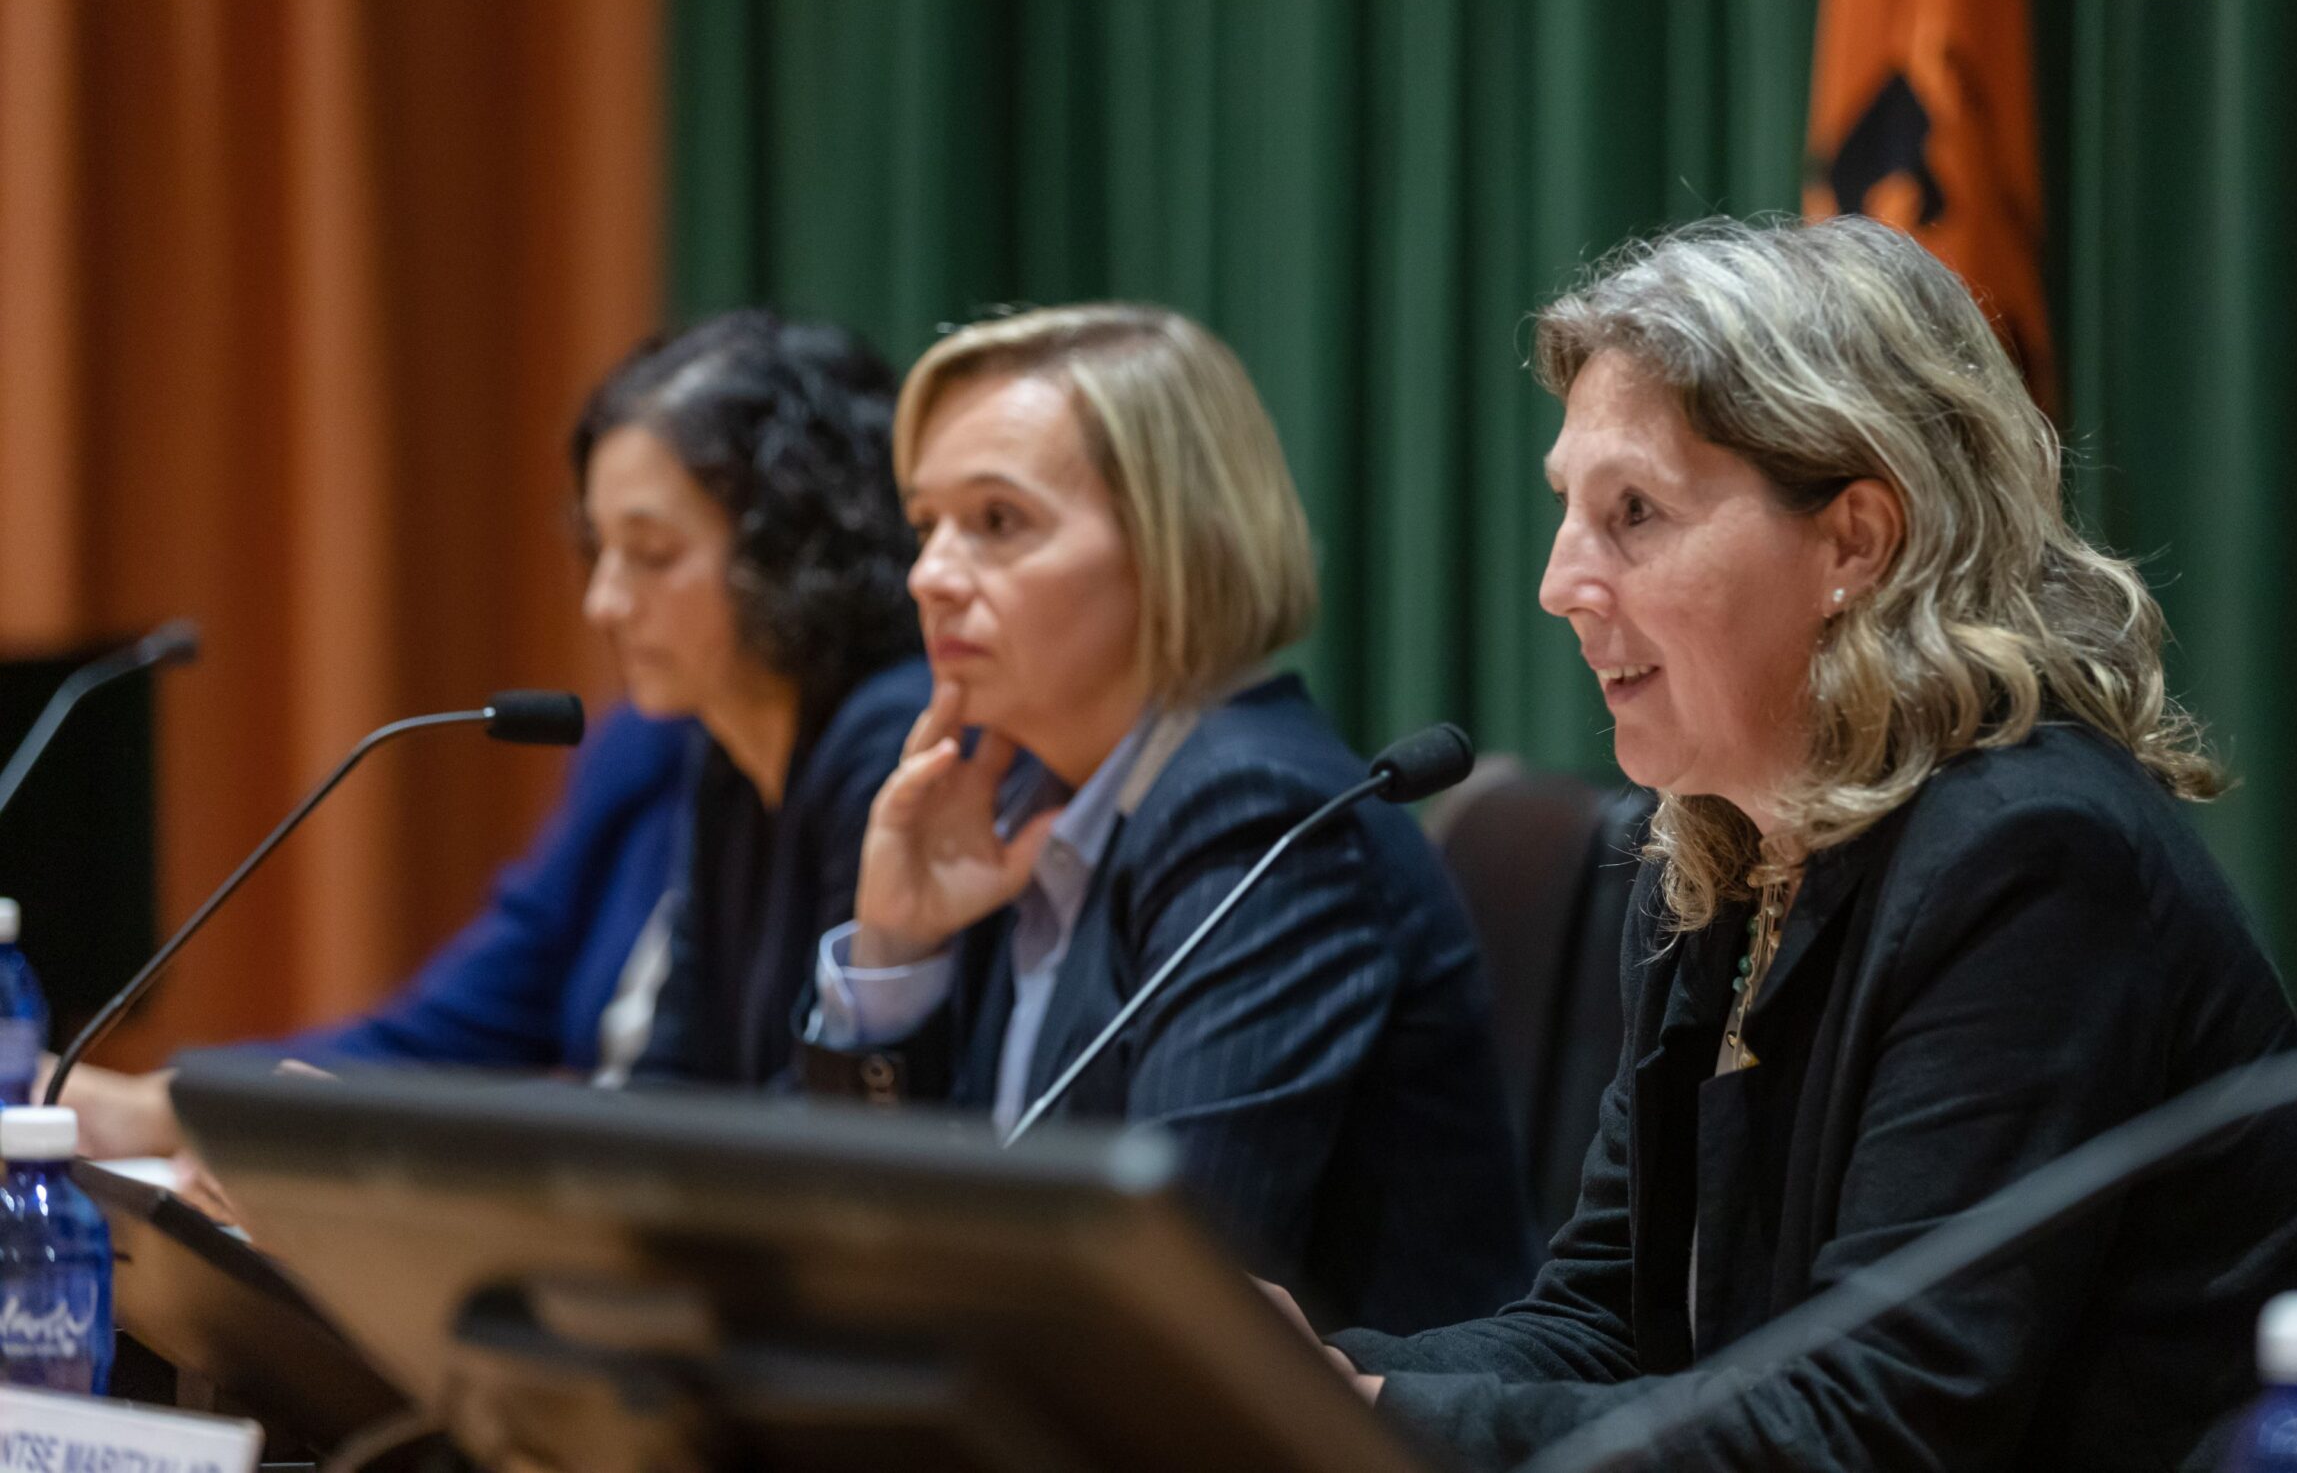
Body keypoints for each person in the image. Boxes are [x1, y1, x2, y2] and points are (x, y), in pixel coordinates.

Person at [1294, 218, 2297, 1469]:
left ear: (1854, 541)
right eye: (1569, 507)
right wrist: (1310, 1386)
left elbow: (1878, 1426)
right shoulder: (1720, 855)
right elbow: (1610, 1326)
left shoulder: (2032, 862)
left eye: (1635, 513)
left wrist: (1374, 1414)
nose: (1561, 583)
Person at [800, 302, 1539, 1334]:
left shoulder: (1255, 812)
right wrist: (896, 951)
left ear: (1175, 544)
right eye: (926, 525)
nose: (929, 575)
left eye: (997, 522)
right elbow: (855, 1234)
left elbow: (1167, 1291)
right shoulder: (1007, 797)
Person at [65, 310, 930, 1154]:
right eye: (598, 550)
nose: (602, 604)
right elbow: (670, 1092)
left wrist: (413, 1151)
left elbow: (815, 1131)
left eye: (653, 555)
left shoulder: (888, 740)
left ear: (790, 551)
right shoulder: (715, 752)